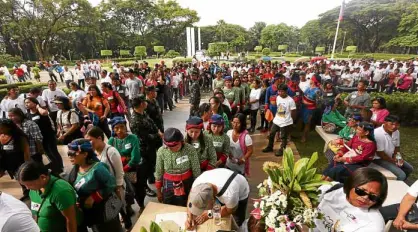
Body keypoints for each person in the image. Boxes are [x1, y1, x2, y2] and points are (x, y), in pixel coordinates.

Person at [66, 139, 122, 232]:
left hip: (104, 211)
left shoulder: (98, 168)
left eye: (74, 154)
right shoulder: (75, 169)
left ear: (85, 154)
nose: (70, 156)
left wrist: (94, 197)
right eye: (69, 154)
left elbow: (111, 184)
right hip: (90, 213)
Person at [85, 127, 131, 230]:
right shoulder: (93, 153)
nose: (88, 143)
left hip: (116, 187)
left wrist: (118, 189)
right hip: (107, 189)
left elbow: (119, 173)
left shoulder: (111, 152)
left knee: (121, 206)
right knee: (113, 207)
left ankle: (128, 223)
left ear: (100, 138)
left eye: (90, 140)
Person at [314, 167, 388, 232]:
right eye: (361, 191)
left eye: (373, 197)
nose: (365, 198)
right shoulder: (331, 188)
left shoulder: (374, 225)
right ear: (351, 184)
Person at [18, 161, 78, 232]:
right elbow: (36, 211)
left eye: (30, 184)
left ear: (43, 177)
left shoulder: (61, 192)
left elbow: (71, 221)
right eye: (24, 185)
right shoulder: (34, 189)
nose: (27, 188)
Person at [186, 168, 250, 229]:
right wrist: (189, 216)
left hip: (241, 192)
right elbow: (191, 197)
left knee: (237, 221)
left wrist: (208, 214)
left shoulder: (230, 194)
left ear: (213, 200)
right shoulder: (198, 183)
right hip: (225, 184)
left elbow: (230, 210)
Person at [155, 128, 201, 206]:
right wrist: (159, 191)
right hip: (168, 183)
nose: (173, 150)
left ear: (181, 141)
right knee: (168, 203)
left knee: (186, 203)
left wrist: (197, 187)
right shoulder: (161, 151)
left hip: (186, 182)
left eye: (176, 147)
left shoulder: (190, 149)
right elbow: (159, 170)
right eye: (170, 148)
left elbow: (196, 169)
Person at [108, 117, 145, 212]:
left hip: (132, 169)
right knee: (125, 191)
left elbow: (135, 157)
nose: (119, 130)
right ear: (113, 129)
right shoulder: (112, 140)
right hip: (119, 171)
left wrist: (125, 166)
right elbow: (108, 155)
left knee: (138, 189)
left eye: (122, 127)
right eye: (116, 128)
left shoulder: (133, 138)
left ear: (126, 127)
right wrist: (124, 159)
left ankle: (141, 206)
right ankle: (128, 207)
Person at [130, 96, 161, 197]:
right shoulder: (135, 120)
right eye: (144, 101)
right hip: (144, 148)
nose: (146, 103)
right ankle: (145, 187)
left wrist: (158, 131)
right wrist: (158, 135)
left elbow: (152, 123)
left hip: (151, 146)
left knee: (152, 164)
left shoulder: (143, 113)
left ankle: (151, 178)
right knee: (144, 169)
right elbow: (144, 137)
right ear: (141, 104)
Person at [25, 97, 63, 174]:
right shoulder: (27, 115)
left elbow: (44, 113)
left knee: (53, 152)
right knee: (47, 154)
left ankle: (60, 168)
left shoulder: (41, 111)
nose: (26, 104)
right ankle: (54, 168)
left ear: (35, 103)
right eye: (25, 103)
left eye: (28, 102)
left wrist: (38, 107)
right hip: (40, 138)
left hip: (48, 136)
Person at [372, 115, 413, 181]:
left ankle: (402, 183)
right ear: (384, 122)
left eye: (397, 125)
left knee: (409, 168)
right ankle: (397, 187)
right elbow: (380, 153)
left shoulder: (396, 132)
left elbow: (397, 147)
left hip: (390, 156)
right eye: (391, 124)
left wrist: (398, 158)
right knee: (401, 175)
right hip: (378, 158)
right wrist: (394, 162)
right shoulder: (377, 133)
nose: (394, 127)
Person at [262, 84, 296, 156]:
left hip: (285, 122)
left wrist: (291, 120)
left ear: (286, 91)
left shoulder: (290, 100)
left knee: (283, 137)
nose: (280, 93)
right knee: (271, 133)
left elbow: (293, 111)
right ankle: (270, 147)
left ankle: (282, 150)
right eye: (279, 91)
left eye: (282, 91)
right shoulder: (278, 97)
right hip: (277, 120)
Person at [0, 118, 30, 199]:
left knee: (23, 180)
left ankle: (28, 195)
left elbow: (26, 152)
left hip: (19, 163)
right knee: (20, 180)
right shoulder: (1, 136)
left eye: (1, 127)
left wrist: (27, 165)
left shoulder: (19, 137)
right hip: (7, 163)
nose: (0, 129)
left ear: (9, 128)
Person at [301, 75, 322, 143]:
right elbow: (303, 95)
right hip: (303, 108)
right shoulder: (309, 88)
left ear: (314, 81)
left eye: (311, 79)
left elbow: (318, 104)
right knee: (304, 122)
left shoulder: (317, 91)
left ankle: (304, 137)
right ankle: (302, 134)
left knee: (307, 123)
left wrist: (309, 104)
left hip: (310, 109)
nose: (310, 80)